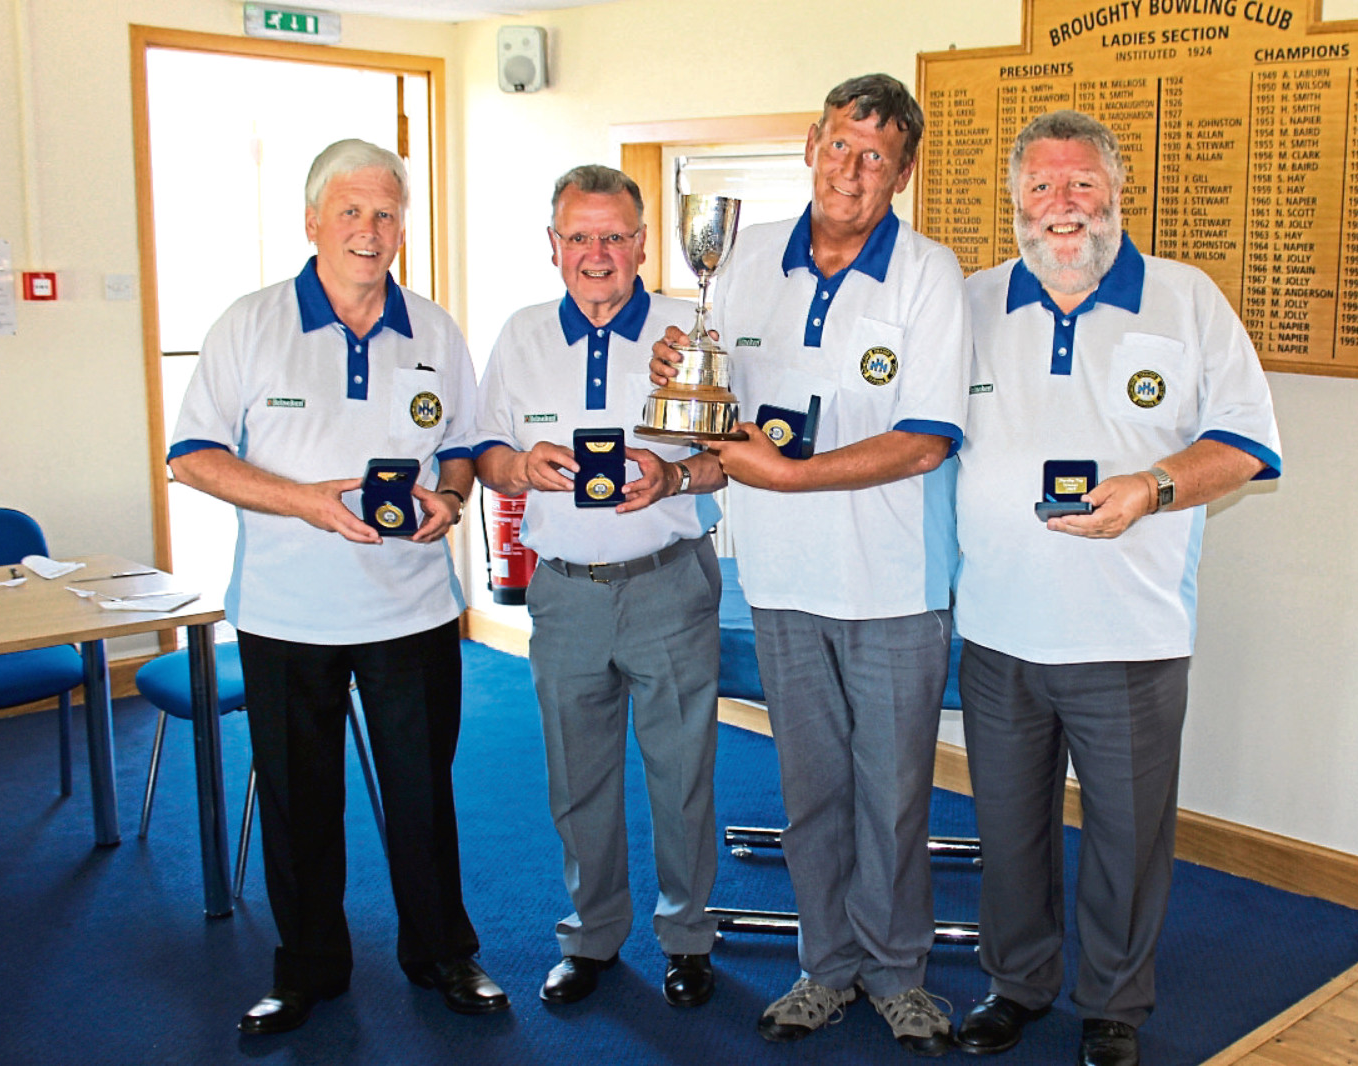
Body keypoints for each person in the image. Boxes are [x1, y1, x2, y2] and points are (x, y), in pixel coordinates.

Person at [951, 111, 1283, 1066]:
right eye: (1043, 187)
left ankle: (1112, 1004)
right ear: (1015, 200)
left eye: (1083, 185)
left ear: (1119, 196)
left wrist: (1151, 488)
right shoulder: (970, 302)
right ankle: (1016, 984)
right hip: (1000, 630)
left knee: (1127, 839)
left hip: (1129, 634)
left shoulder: (1186, 301)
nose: (1064, 207)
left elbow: (1249, 447)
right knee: (1008, 830)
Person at [652, 73, 971, 1056]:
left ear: (903, 172)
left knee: (892, 792)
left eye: (877, 155)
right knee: (811, 792)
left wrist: (787, 478)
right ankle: (826, 967)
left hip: (892, 585)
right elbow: (729, 421)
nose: (853, 168)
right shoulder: (740, 260)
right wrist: (681, 378)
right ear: (810, 144)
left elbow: (925, 440)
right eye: (841, 144)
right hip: (781, 582)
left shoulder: (928, 273)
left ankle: (898, 971)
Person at [168, 138, 508, 1035]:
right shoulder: (251, 323)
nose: (369, 230)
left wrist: (452, 497)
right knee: (299, 803)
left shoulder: (433, 327)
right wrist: (302, 503)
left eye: (387, 213)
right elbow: (194, 457)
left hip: (413, 610)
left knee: (422, 798)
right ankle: (309, 968)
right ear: (312, 219)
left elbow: (466, 447)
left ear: (403, 228)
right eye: (351, 210)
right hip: (286, 615)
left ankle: (442, 954)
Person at [473, 164, 725, 1010]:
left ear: (644, 244)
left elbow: (738, 452)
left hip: (668, 585)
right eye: (578, 236)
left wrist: (675, 474)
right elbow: (485, 451)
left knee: (681, 774)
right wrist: (515, 467)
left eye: (614, 235)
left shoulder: (696, 331)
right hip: (565, 595)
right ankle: (592, 935)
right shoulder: (520, 336)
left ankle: (688, 937)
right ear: (553, 247)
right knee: (577, 777)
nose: (597, 253)